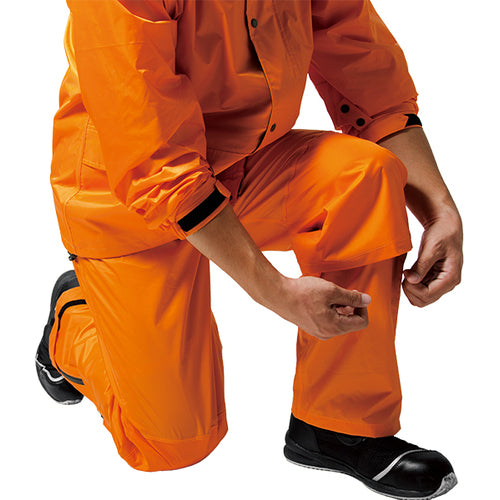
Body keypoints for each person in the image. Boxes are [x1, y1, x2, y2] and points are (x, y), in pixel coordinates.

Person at [35, 1, 463, 498]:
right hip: (125, 200)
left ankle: (339, 425)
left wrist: (438, 209)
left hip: (241, 165)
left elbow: (363, 65)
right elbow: (154, 161)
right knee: (172, 442)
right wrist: (276, 291)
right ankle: (74, 320)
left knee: (363, 178)